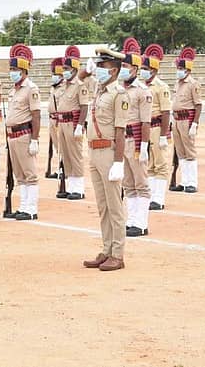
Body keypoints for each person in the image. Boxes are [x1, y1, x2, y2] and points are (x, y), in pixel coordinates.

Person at [82, 48, 128, 272]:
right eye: (98, 66)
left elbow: (120, 131)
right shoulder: (99, 90)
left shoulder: (119, 94)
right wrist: (86, 70)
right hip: (93, 151)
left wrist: (118, 162)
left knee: (114, 206)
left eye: (103, 67)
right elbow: (80, 79)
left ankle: (118, 254)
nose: (98, 70)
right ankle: (107, 248)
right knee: (102, 206)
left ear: (114, 70)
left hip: (109, 152)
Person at [120, 38, 152, 237]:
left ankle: (141, 223)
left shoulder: (142, 91)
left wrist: (145, 146)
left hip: (136, 139)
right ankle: (131, 220)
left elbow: (146, 121)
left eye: (125, 66)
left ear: (135, 68)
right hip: (122, 139)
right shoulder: (119, 88)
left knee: (141, 182)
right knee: (128, 183)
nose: (123, 69)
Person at [6, 44, 42, 221]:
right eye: (11, 68)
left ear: (23, 70)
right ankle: (23, 206)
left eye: (15, 69)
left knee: (30, 173)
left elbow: (36, 115)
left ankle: (31, 208)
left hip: (24, 135)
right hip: (12, 136)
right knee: (19, 175)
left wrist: (35, 139)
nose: (12, 72)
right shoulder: (13, 90)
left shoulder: (31, 89)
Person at [53, 46, 90, 200]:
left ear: (74, 69)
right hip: (62, 123)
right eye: (63, 68)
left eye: (67, 68)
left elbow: (84, 106)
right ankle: (71, 186)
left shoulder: (80, 86)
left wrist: (80, 125)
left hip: (73, 123)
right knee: (65, 156)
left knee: (75, 155)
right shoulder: (63, 86)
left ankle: (79, 189)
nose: (64, 71)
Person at [141, 44, 172, 213]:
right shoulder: (142, 86)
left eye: (145, 68)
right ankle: (152, 195)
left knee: (160, 163)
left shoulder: (161, 87)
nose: (143, 71)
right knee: (150, 164)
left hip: (158, 126)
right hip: (146, 128)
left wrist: (163, 135)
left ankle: (159, 198)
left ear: (153, 70)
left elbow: (166, 112)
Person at [171, 48, 202, 195]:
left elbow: (198, 105)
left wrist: (195, 123)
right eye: (178, 68)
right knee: (180, 152)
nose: (179, 71)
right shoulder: (177, 83)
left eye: (181, 68)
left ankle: (192, 182)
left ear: (188, 70)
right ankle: (184, 182)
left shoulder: (193, 84)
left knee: (189, 151)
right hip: (176, 119)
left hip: (186, 119)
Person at [48, 58, 66, 196]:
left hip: (60, 121)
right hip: (52, 120)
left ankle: (64, 171)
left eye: (56, 73)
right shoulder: (53, 88)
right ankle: (60, 169)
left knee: (63, 148)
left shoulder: (64, 87)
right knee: (57, 147)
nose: (53, 75)